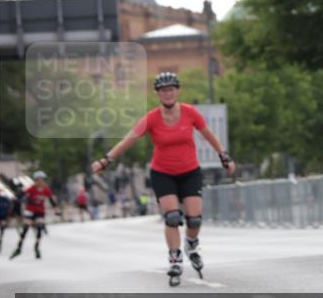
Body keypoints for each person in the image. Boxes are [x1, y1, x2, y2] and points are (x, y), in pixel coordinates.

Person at [91, 72, 235, 286]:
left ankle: (191, 243)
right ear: (158, 94)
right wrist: (106, 160)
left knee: (194, 219)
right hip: (163, 173)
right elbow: (128, 139)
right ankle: (175, 258)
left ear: (177, 91)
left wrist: (224, 156)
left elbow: (209, 134)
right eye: (163, 90)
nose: (168, 93)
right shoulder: (152, 118)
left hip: (190, 171)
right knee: (172, 217)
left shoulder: (190, 113)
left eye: (171, 89)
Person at [9, 171, 58, 260]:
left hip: (39, 211)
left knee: (39, 227)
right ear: (35, 181)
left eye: (42, 180)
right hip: (30, 210)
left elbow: (51, 201)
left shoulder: (46, 190)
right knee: (26, 228)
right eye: (38, 180)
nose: (40, 182)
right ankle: (19, 248)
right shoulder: (31, 188)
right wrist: (16, 198)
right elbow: (21, 194)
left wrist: (56, 210)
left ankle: (36, 247)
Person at [0, 187, 11, 253]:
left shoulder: (4, 199)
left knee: (2, 227)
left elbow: (9, 206)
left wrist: (9, 214)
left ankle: (0, 240)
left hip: (4, 216)